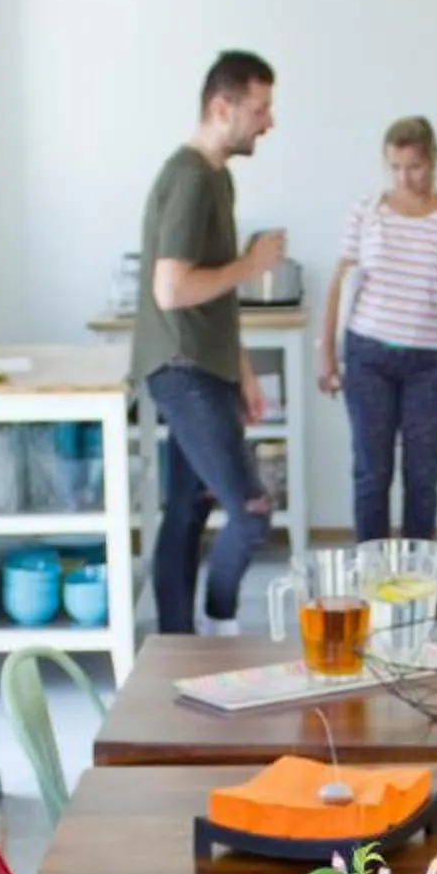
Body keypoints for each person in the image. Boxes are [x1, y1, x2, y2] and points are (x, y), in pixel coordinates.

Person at [131, 50, 284, 634]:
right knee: (251, 514)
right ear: (223, 107)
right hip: (182, 367)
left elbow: (212, 295)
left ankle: (175, 643)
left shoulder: (216, 175)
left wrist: (240, 370)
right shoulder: (192, 178)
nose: (268, 121)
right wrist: (251, 264)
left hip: (203, 364)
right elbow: (171, 289)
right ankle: (220, 625)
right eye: (260, 108)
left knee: (187, 514)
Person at [318, 116, 437, 544]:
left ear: (432, 160)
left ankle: (417, 593)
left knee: (422, 478)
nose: (404, 177)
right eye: (395, 167)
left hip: (429, 364)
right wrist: (326, 355)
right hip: (367, 354)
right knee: (372, 474)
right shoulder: (367, 211)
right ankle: (371, 589)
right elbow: (340, 283)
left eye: (414, 166)